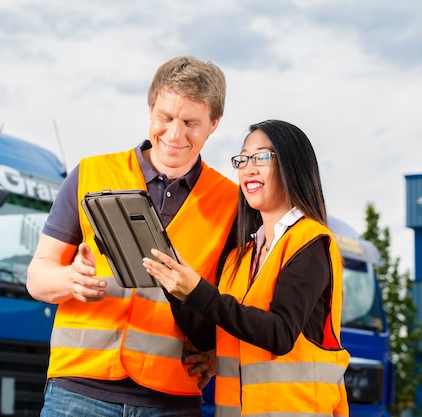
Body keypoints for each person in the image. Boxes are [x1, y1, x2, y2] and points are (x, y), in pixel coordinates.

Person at [26, 56, 239, 417]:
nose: (174, 134)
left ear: (214, 124)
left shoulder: (231, 203)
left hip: (170, 399)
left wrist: (219, 355)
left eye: (190, 123)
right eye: (166, 117)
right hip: (77, 395)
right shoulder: (90, 173)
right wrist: (69, 279)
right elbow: (37, 277)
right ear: (150, 107)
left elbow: (236, 304)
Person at [143, 119, 350, 416]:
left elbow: (279, 334)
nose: (248, 168)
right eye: (242, 159)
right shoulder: (239, 258)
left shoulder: (310, 241)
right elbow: (211, 335)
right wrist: (177, 286)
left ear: (293, 165)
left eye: (262, 157)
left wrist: (199, 292)